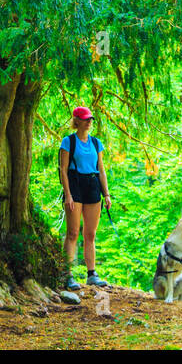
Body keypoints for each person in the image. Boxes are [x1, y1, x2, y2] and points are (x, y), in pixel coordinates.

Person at [58, 105, 111, 290]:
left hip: (93, 186)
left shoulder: (96, 143)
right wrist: (68, 195)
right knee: (72, 233)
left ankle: (91, 274)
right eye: (86, 119)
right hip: (75, 185)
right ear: (77, 121)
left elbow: (101, 170)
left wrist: (107, 194)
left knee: (90, 234)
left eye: (90, 119)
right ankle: (67, 274)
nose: (89, 122)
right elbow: (63, 170)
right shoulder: (68, 142)